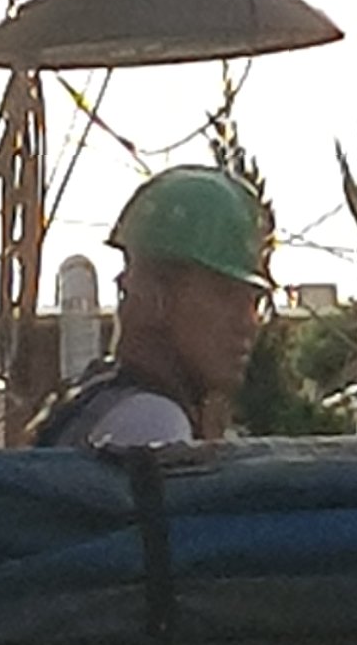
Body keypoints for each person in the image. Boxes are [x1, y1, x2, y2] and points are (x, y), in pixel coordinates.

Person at [31, 163, 271, 450]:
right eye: (225, 295)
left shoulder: (100, 401)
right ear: (155, 295)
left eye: (254, 301)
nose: (248, 322)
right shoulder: (152, 420)